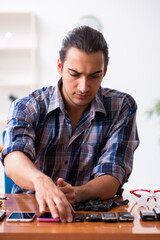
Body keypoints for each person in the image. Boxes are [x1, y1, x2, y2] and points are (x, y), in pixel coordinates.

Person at [0, 26, 139, 223]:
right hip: (31, 216)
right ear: (59, 67)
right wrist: (41, 182)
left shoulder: (121, 107)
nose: (84, 87)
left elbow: (112, 176)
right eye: (75, 74)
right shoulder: (26, 106)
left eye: (94, 76)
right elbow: (13, 160)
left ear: (105, 70)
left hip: (90, 218)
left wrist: (75, 193)